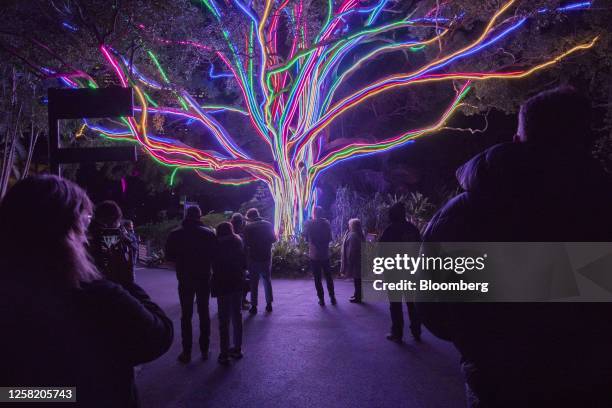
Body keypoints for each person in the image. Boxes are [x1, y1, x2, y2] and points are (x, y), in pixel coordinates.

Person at [418, 87, 612, 406]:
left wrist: (482, 343)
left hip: (498, 380)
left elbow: (433, 307)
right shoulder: (602, 207)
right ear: (587, 139)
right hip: (594, 380)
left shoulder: (465, 212)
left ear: (518, 137)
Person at [0, 175, 173, 408]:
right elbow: (158, 336)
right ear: (67, 233)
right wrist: (123, 280)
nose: (87, 236)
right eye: (84, 223)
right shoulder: (95, 296)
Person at [165, 205, 216, 363]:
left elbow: (169, 258)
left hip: (185, 277)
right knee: (204, 312)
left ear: (187, 216)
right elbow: (215, 255)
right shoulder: (208, 233)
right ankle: (205, 349)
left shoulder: (175, 234)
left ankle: (186, 352)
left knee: (186, 315)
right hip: (203, 277)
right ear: (199, 216)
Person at [379, 202, 422, 342]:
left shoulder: (389, 231)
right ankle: (416, 331)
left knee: (395, 304)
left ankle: (397, 333)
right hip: (411, 272)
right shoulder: (413, 229)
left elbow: (382, 252)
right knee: (412, 303)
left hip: (394, 273)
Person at [211, 222, 246, 365]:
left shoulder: (215, 245)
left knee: (223, 320)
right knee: (237, 316)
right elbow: (244, 263)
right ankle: (237, 349)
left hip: (221, 284)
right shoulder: (238, 242)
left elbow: (212, 263)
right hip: (236, 282)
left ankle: (224, 353)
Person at [88, 200, 136, 285]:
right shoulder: (123, 241)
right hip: (117, 289)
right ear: (116, 220)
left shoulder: (85, 241)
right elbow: (129, 277)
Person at [243, 208, 276, 314]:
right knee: (267, 280)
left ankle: (254, 306)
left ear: (249, 217)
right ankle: (269, 304)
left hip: (253, 257)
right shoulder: (268, 224)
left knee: (254, 283)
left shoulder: (248, 227)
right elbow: (274, 239)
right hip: (266, 256)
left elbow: (246, 243)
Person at [303, 206, 336, 306]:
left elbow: (305, 237)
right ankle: (332, 297)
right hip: (325, 254)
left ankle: (321, 299)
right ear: (322, 213)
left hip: (314, 255)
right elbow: (330, 238)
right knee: (328, 276)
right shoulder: (326, 223)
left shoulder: (309, 224)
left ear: (314, 213)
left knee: (317, 278)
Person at [340, 218, 365, 303]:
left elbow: (351, 250)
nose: (348, 226)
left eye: (350, 224)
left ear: (353, 226)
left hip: (355, 261)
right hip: (359, 260)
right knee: (358, 279)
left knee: (357, 279)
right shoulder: (359, 234)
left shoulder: (353, 235)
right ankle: (357, 295)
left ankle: (358, 297)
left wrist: (349, 262)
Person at [231, 212, 251, 310]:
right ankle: (241, 301)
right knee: (243, 282)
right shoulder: (239, 234)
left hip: (230, 263)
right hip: (239, 263)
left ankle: (241, 300)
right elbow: (244, 249)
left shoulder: (230, 229)